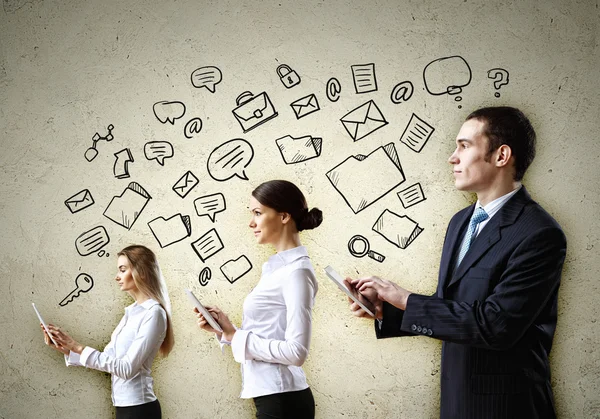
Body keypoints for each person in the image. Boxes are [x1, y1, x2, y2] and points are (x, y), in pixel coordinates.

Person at [346, 107, 567, 419]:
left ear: (501, 155)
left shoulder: (539, 233)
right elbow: (453, 307)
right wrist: (387, 310)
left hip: (507, 408)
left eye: (464, 146)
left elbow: (496, 325)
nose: (452, 157)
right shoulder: (460, 222)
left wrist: (407, 298)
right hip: (457, 402)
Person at [193, 180, 323, 419]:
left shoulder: (296, 273)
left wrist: (236, 336)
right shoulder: (276, 268)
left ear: (284, 216)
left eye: (258, 213)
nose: (251, 222)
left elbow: (297, 352)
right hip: (272, 397)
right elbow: (268, 333)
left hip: (283, 402)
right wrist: (225, 331)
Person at [41, 245, 174, 419]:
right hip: (123, 407)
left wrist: (79, 348)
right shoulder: (131, 312)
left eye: (123, 269)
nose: (117, 276)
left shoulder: (153, 313)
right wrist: (67, 349)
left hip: (140, 410)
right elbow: (109, 359)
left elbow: (126, 369)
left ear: (141, 272)